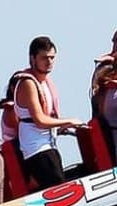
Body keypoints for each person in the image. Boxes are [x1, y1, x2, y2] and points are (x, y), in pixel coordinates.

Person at [12, 36, 83, 189]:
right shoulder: (28, 83)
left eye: (52, 58)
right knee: (57, 187)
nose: (49, 62)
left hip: (49, 144)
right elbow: (40, 120)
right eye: (44, 58)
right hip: (36, 148)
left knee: (59, 182)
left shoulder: (45, 82)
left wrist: (64, 127)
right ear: (33, 58)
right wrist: (68, 121)